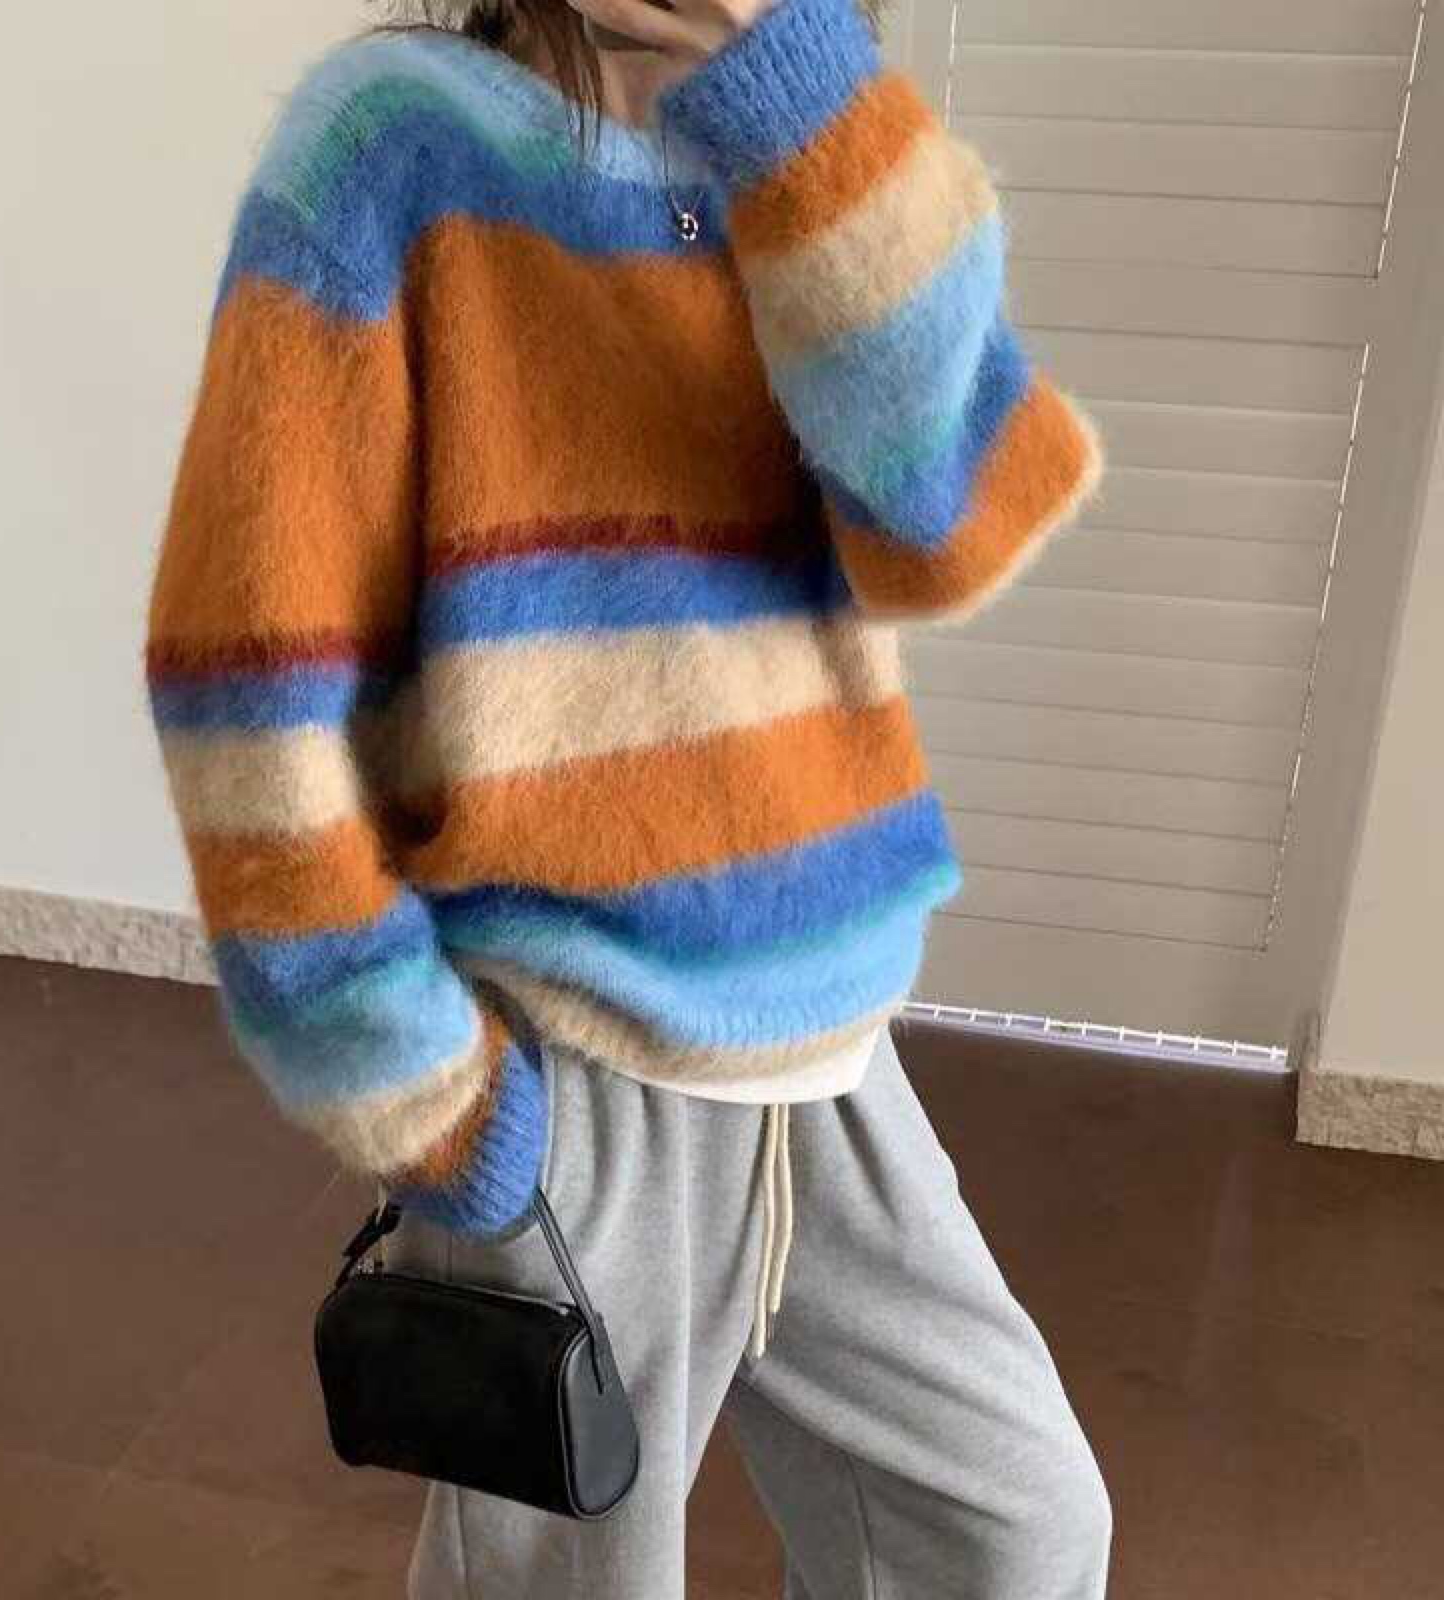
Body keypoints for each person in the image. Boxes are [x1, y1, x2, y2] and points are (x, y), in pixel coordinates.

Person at [142, 0, 1113, 1593]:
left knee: (1012, 1528)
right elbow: (242, 675)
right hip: (571, 1081)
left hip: (832, 1066)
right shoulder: (391, 143)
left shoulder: (807, 134)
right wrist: (424, 1098)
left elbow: (957, 527)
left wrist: (799, 93)